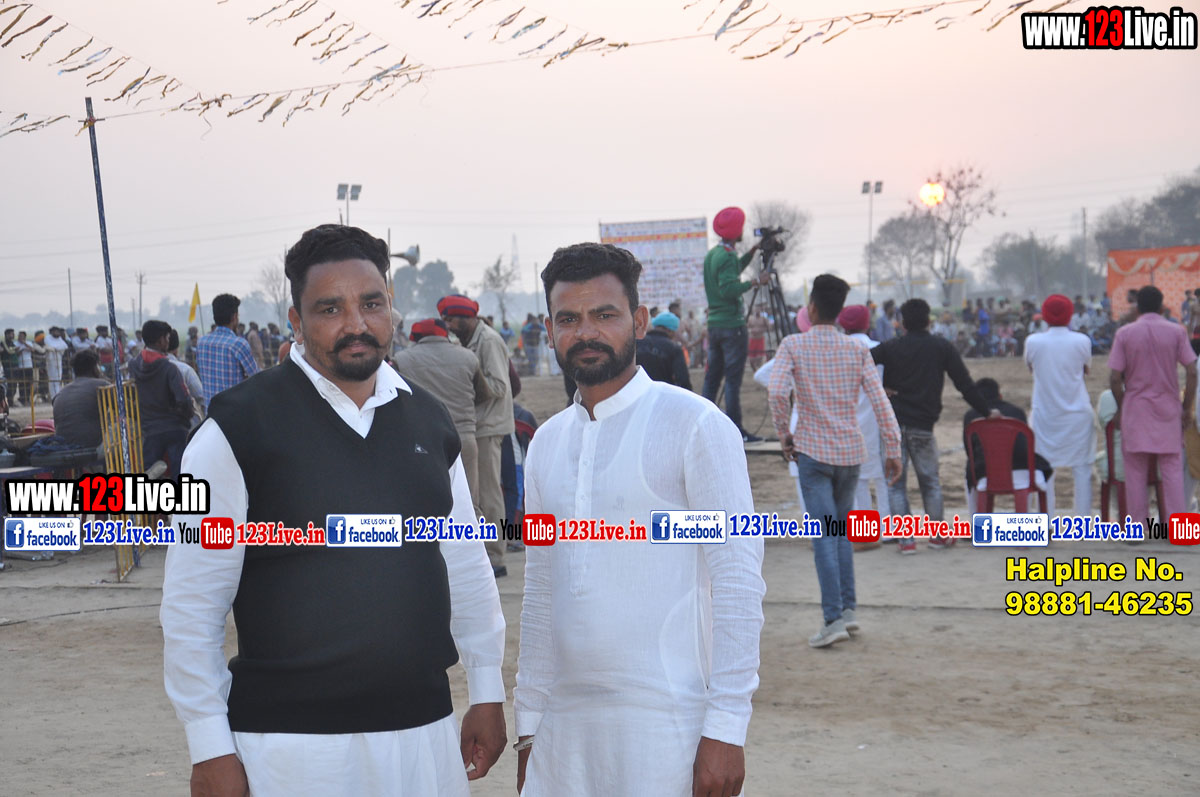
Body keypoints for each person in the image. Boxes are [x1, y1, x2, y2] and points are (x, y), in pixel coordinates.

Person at [161, 224, 506, 796]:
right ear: (295, 322)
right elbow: (192, 607)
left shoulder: (429, 421)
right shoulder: (236, 430)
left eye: (371, 303)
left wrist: (487, 689)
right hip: (291, 750)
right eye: (330, 308)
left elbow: (465, 563)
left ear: (390, 307)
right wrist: (209, 746)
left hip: (424, 735)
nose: (356, 324)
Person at [516, 242, 765, 797]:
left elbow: (737, 579)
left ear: (640, 320)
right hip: (564, 733)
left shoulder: (695, 426)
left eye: (604, 314)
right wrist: (529, 722)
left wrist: (727, 728)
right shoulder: (546, 443)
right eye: (568, 319)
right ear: (550, 330)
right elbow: (540, 589)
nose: (586, 333)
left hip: (669, 726)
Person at [769, 278, 901, 647]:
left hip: (813, 453)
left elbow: (777, 391)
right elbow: (880, 401)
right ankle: (848, 609)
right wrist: (893, 448)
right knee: (841, 532)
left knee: (825, 535)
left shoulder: (793, 344)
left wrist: (784, 433)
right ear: (839, 310)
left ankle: (832, 619)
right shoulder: (857, 349)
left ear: (811, 308)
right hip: (850, 454)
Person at [872, 299, 998, 554]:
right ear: (929, 321)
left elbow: (859, 363)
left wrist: (878, 389)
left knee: (895, 484)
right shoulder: (941, 347)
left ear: (902, 323)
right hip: (923, 425)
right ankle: (937, 536)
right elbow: (964, 384)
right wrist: (986, 411)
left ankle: (906, 541)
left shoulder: (891, 347)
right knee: (930, 482)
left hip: (893, 425)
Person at [1108, 285, 1198, 527]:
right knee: (1171, 469)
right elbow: (1192, 372)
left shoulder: (1125, 333)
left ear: (1137, 307)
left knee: (1135, 471)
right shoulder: (1176, 332)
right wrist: (1186, 407)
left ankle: (1137, 528)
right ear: (1161, 307)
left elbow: (1115, 378)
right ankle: (1178, 530)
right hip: (1168, 409)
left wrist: (1121, 407)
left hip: (1136, 409)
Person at [438, 293, 514, 578]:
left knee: (489, 494)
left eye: (451, 319)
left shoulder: (489, 341)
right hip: (475, 425)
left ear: (466, 318)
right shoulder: (468, 340)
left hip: (488, 426)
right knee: (474, 495)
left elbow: (499, 386)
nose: (448, 325)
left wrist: (468, 381)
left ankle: (496, 556)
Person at [391, 318, 490, 511]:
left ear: (417, 336)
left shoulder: (401, 360)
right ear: (445, 334)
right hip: (465, 437)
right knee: (469, 504)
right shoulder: (468, 357)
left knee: (425, 505)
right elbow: (483, 394)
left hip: (420, 441)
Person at [701, 206, 769, 443]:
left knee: (712, 378)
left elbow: (732, 271)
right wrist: (756, 281)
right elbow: (728, 288)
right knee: (732, 380)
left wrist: (751, 252)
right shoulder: (727, 256)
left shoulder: (715, 254)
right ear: (735, 231)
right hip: (732, 325)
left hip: (715, 324)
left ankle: (703, 425)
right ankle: (737, 429)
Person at [1025, 294, 1095, 516]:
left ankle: (1046, 519)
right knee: (1082, 470)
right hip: (1078, 414)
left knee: (1044, 471)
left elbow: (1031, 368)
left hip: (1045, 415)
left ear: (1044, 315)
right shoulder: (1082, 341)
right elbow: (1086, 370)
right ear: (1070, 314)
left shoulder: (1033, 341)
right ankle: (1082, 522)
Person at [963, 378, 1054, 515]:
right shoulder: (1017, 412)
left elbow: (969, 451)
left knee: (970, 471)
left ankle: (975, 519)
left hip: (986, 474)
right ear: (1000, 396)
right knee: (1042, 466)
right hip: (1022, 471)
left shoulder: (970, 415)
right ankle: (1038, 519)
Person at [837, 304, 890, 520]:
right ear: (868, 324)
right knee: (883, 478)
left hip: (846, 423)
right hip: (877, 422)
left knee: (856, 479)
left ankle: (864, 529)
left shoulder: (837, 350)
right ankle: (887, 528)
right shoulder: (880, 349)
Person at [128, 321, 193, 478]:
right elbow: (184, 400)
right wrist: (184, 418)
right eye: (167, 338)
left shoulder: (133, 366)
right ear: (160, 340)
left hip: (149, 428)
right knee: (180, 473)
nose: (168, 342)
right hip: (174, 428)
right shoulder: (170, 368)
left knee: (149, 474)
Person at [196, 293, 259, 405]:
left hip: (210, 411)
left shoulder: (201, 343)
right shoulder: (238, 344)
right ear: (234, 317)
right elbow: (257, 378)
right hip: (234, 411)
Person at [51, 349, 108, 450]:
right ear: (95, 367)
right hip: (91, 446)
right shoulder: (101, 385)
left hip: (63, 446)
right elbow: (126, 407)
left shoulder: (61, 392)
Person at [635, 310, 692, 389]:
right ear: (670, 330)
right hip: (664, 393)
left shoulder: (636, 343)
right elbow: (683, 380)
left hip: (637, 391)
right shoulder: (674, 348)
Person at [166, 327, 205, 423]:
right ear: (176, 349)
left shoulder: (147, 368)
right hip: (186, 425)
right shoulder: (185, 370)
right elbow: (202, 398)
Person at [44, 326, 69, 399]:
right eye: (56, 331)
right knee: (52, 379)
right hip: (51, 362)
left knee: (58, 379)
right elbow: (51, 346)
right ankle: (53, 396)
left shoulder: (60, 339)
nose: (57, 333)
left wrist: (56, 348)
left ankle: (58, 395)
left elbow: (64, 346)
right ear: (52, 332)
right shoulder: (48, 338)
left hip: (59, 361)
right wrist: (56, 348)